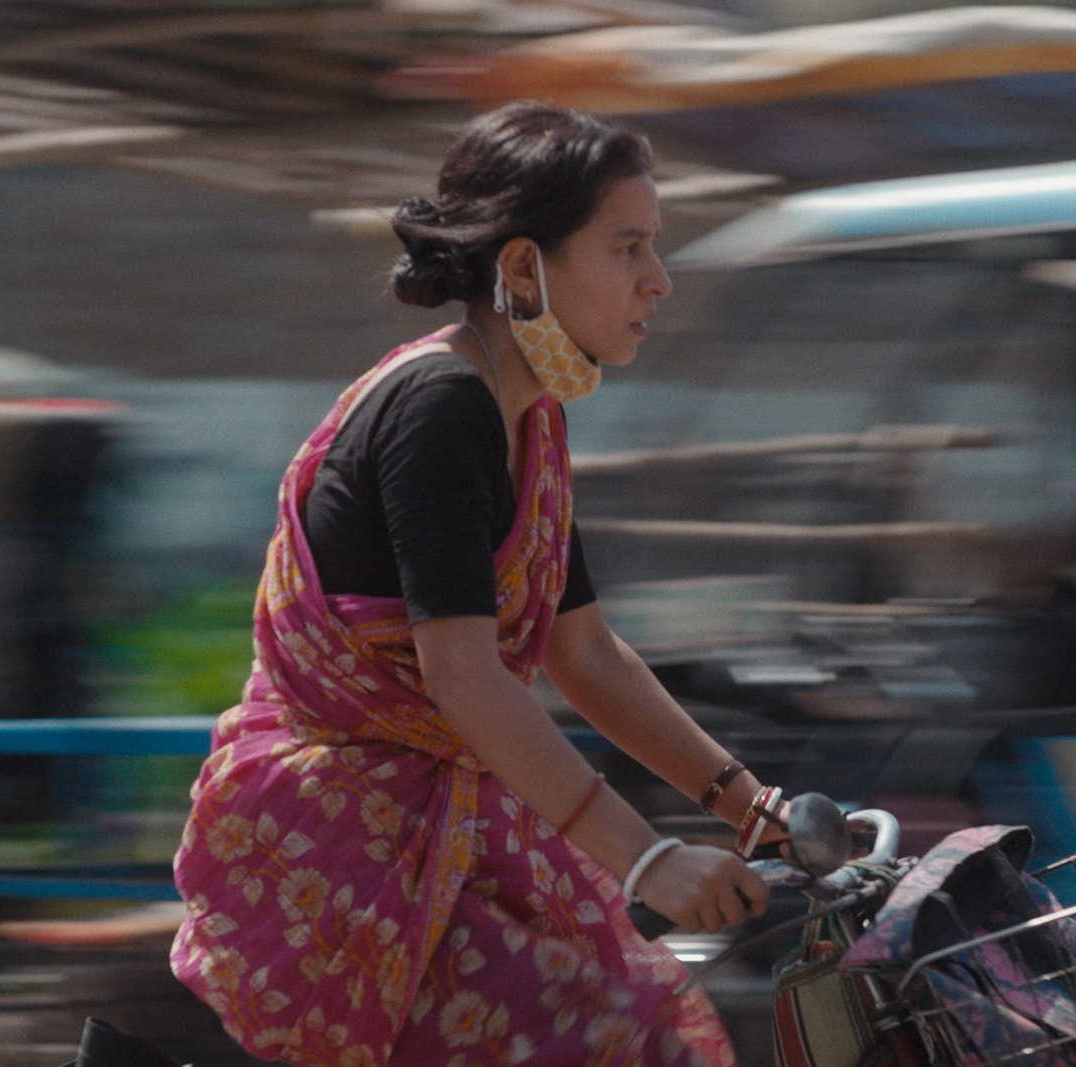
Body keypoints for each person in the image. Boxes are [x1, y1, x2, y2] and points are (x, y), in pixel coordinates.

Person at [170, 101, 791, 1067]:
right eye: (628, 248)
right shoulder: (441, 404)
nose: (657, 281)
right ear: (521, 268)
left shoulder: (531, 422)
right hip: (344, 848)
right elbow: (464, 677)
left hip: (446, 832)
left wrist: (754, 809)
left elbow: (582, 652)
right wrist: (652, 859)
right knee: (611, 1036)